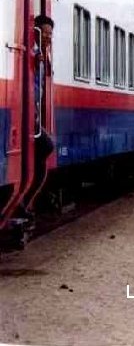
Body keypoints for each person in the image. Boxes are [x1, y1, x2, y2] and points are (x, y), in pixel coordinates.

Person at [25, 15, 55, 214]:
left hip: (32, 114)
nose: (47, 37)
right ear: (35, 32)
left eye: (50, 34)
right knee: (46, 145)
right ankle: (26, 200)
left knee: (43, 148)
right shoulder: (31, 53)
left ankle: (26, 200)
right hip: (28, 116)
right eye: (44, 33)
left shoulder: (42, 55)